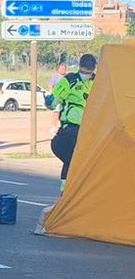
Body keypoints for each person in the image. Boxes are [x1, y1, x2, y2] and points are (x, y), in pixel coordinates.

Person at [51, 54, 96, 193]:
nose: (87, 73)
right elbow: (54, 101)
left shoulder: (96, 81)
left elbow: (53, 101)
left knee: (75, 161)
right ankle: (67, 191)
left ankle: (70, 192)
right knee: (72, 159)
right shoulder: (70, 81)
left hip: (83, 129)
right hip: (77, 129)